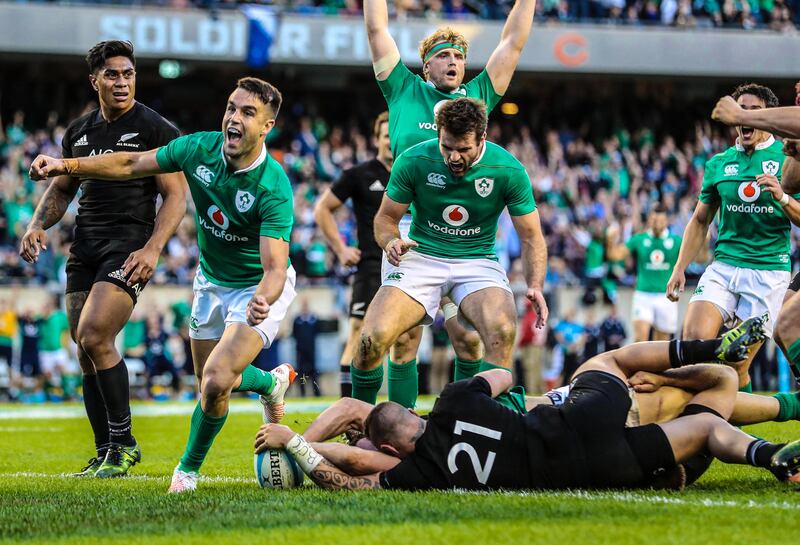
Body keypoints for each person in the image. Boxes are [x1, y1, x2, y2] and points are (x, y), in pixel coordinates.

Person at [28, 77, 298, 493]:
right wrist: (66, 165)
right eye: (231, 107)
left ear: (267, 126)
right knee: (209, 386)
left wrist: (262, 299)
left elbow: (275, 268)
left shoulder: (273, 185)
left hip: (254, 287)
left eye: (247, 112)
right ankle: (269, 382)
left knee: (215, 378)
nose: (233, 117)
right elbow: (130, 164)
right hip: (210, 282)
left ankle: (186, 472)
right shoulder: (197, 148)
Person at [255, 317, 800, 491]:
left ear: (392, 448)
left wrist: (300, 444)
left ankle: (770, 454)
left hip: (599, 468)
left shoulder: (420, 468)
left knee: (703, 427)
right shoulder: (449, 402)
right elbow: (501, 372)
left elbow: (354, 473)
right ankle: (767, 448)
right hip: (575, 419)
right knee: (611, 362)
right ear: (413, 419)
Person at [19, 41, 187, 478]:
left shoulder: (155, 128)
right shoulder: (78, 132)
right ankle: (104, 451)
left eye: (128, 73)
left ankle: (125, 442)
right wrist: (38, 225)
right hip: (85, 246)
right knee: (84, 348)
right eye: (112, 74)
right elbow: (60, 190)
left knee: (95, 335)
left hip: (128, 244)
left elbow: (174, 198)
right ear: (94, 80)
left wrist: (152, 249)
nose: (121, 81)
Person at [363, 0, 537, 393]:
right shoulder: (403, 88)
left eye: (459, 56)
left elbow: (512, 42)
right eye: (443, 55)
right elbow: (376, 31)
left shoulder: (478, 96)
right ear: (426, 67)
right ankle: (397, 424)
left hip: (464, 236)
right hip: (409, 227)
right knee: (403, 341)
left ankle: (464, 419)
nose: (453, 61)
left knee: (469, 337)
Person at [349, 98, 548, 408]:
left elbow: (532, 235)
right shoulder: (414, 160)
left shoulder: (507, 169)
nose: (453, 157)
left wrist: (535, 284)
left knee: (502, 331)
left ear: (482, 138)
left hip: (477, 261)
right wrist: (390, 241)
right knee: (370, 340)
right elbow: (386, 219)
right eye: (446, 147)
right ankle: (357, 423)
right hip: (421, 256)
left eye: (463, 150)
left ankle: (472, 421)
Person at [668, 83, 795, 392]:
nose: (744, 117)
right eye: (741, 110)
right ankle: (711, 427)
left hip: (767, 272)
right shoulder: (719, 163)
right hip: (724, 267)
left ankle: (737, 435)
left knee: (735, 364)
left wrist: (783, 198)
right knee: (694, 348)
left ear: (769, 119)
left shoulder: (789, 158)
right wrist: (679, 267)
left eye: (754, 111)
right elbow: (700, 220)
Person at [711, 90, 800, 383]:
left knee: (779, 330)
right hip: (728, 263)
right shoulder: (722, 161)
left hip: (769, 266)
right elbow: (789, 181)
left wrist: (740, 115)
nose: (797, 95)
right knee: (783, 328)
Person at [313, 112, 392, 397]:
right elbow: (322, 209)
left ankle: (400, 412)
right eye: (386, 136)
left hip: (408, 267)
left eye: (396, 134)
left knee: (406, 340)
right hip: (371, 265)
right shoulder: (360, 174)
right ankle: (349, 415)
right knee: (359, 332)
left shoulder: (414, 172)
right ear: (377, 139)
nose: (391, 141)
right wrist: (340, 248)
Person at [607, 205, 682, 342]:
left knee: (662, 343)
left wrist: (705, 241)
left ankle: (658, 364)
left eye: (660, 220)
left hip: (666, 295)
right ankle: (639, 364)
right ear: (649, 220)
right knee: (640, 339)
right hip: (643, 294)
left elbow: (699, 260)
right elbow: (616, 255)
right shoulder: (639, 239)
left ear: (667, 221)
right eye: (654, 220)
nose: (657, 223)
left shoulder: (676, 241)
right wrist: (610, 241)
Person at [292, 299, 321, 398]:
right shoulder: (297, 320)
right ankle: (302, 393)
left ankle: (316, 392)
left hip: (311, 350)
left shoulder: (313, 319)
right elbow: (294, 334)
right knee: (301, 372)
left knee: (313, 371)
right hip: (300, 350)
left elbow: (317, 332)